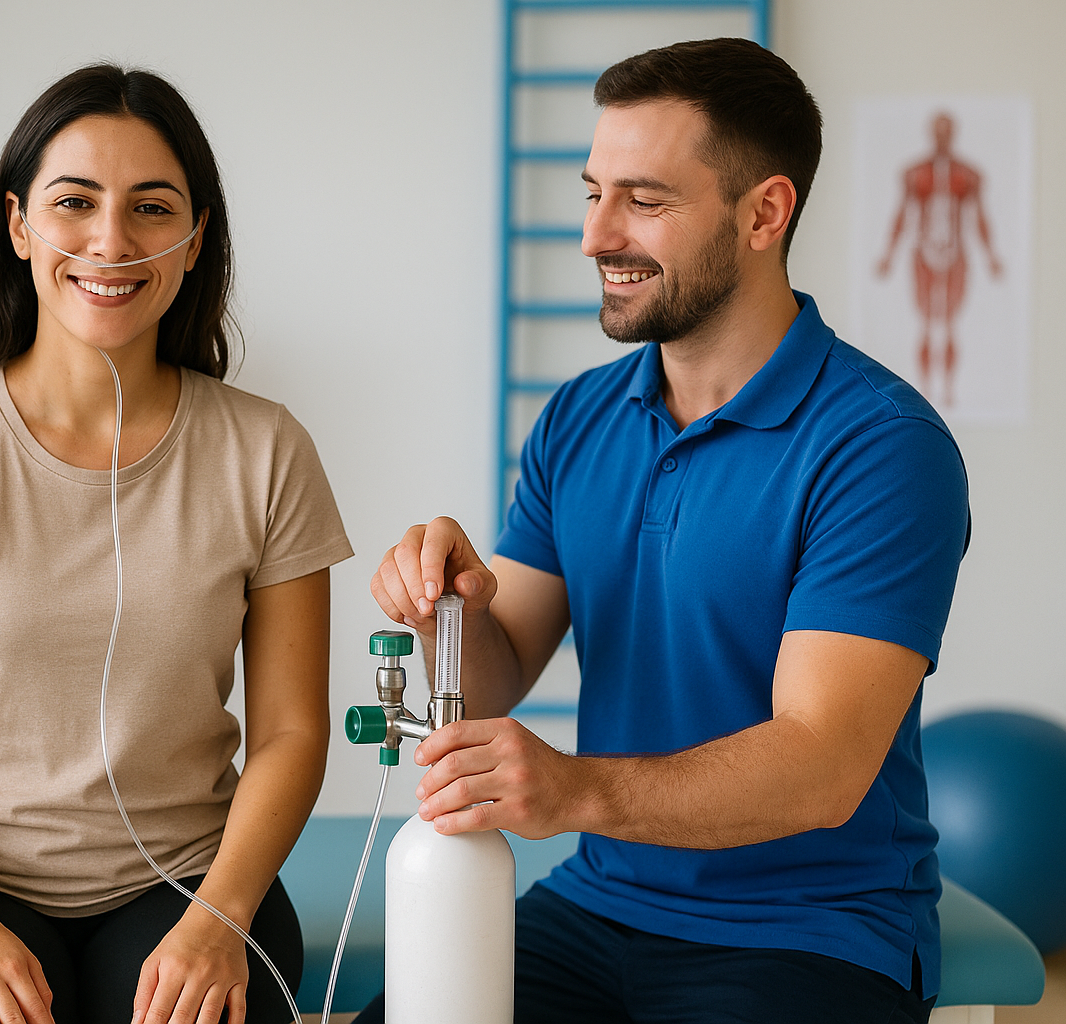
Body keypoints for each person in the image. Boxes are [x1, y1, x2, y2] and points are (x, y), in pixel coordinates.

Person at [362, 38, 968, 1024]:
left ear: (764, 212)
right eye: (592, 191)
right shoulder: (578, 419)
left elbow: (821, 762)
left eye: (644, 200)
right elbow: (495, 667)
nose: (599, 235)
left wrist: (570, 792)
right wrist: (453, 605)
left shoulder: (881, 446)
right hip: (596, 907)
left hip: (811, 932)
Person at [0, 65, 352, 1024]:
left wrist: (220, 917)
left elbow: (290, 732)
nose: (112, 241)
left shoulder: (268, 451)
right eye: (75, 203)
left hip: (191, 883)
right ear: (20, 226)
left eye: (153, 207)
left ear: (195, 243)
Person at [876, 111, 1004, 407]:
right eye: (938, 131)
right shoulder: (915, 173)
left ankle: (946, 390)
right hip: (923, 253)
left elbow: (978, 216)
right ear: (931, 134)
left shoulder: (968, 175)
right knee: (925, 321)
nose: (942, 137)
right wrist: (889, 256)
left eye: (947, 131)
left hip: (955, 253)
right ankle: (925, 390)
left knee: (948, 323)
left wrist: (991, 257)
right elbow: (902, 214)